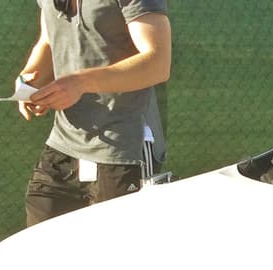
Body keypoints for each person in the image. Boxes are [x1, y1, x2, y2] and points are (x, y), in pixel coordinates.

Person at [17, 0, 171, 226]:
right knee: (40, 246)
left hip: (123, 150)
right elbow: (48, 40)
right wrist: (30, 83)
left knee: (111, 257)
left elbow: (158, 62)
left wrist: (80, 83)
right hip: (62, 146)